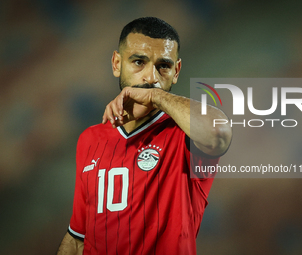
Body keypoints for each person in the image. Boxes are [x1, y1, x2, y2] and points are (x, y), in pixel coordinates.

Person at [57, 17, 232, 255]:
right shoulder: (89, 139)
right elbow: (78, 238)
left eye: (163, 66)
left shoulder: (184, 134)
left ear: (176, 71)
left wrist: (155, 96)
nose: (151, 77)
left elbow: (219, 134)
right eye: (139, 62)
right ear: (117, 63)